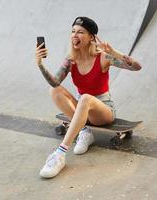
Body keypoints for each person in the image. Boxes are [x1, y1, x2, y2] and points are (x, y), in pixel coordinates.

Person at [35, 16, 142, 178]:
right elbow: (54, 82)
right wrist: (40, 64)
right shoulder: (71, 60)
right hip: (83, 108)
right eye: (72, 32)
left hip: (103, 110)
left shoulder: (104, 57)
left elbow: (136, 67)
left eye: (80, 32)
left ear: (91, 37)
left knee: (84, 98)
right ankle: (84, 131)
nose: (74, 35)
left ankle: (60, 154)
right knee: (54, 91)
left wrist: (113, 52)